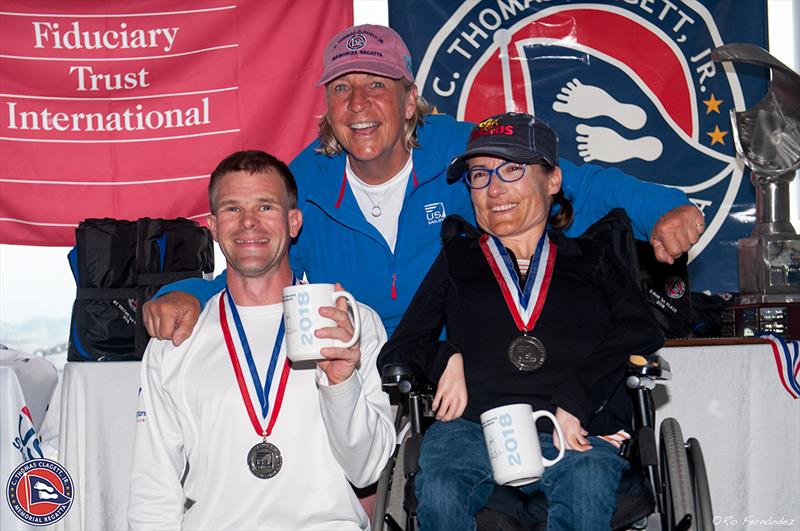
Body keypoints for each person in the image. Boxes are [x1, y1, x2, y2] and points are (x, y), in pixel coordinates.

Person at [142, 24, 704, 347]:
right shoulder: (303, 181)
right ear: (327, 108)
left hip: (462, 362)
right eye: (341, 89)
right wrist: (185, 294)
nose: (358, 104)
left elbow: (577, 185)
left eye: (376, 86)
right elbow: (253, 267)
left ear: (410, 99)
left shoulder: (469, 152)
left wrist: (662, 208)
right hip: (351, 369)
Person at [377, 112, 665, 530]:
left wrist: (578, 397)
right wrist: (445, 358)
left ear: (552, 180)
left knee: (586, 486)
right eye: (479, 175)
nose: (494, 189)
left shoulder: (593, 259)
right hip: (475, 429)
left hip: (574, 426)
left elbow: (643, 332)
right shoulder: (459, 260)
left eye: (512, 170)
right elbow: (398, 350)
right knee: (438, 488)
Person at [127, 151, 394, 530]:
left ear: (294, 221)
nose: (249, 222)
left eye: (265, 206)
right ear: (213, 226)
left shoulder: (349, 324)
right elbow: (153, 486)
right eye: (233, 209)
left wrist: (341, 385)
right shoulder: (176, 339)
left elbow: (367, 469)